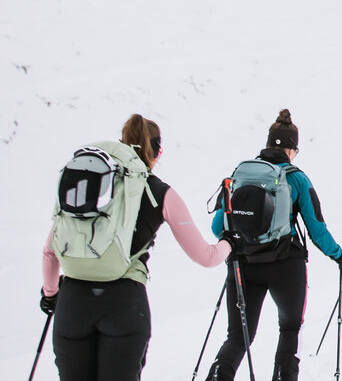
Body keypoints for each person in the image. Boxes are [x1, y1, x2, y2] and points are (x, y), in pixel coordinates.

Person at [40, 114, 231, 381]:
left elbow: (50, 252)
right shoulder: (160, 192)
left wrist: (50, 295)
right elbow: (206, 257)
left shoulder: (90, 183)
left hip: (72, 305)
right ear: (157, 153)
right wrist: (228, 243)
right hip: (124, 304)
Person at [206, 109, 342, 381]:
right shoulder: (297, 178)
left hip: (243, 266)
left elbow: (218, 228)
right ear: (292, 150)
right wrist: (339, 255)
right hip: (285, 265)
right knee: (289, 329)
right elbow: (316, 230)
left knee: (237, 337)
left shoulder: (240, 175)